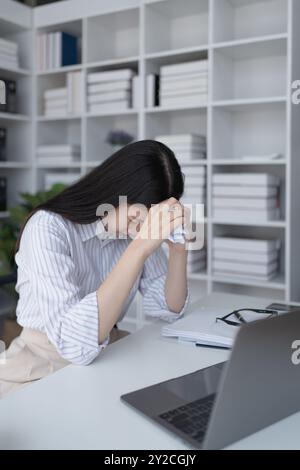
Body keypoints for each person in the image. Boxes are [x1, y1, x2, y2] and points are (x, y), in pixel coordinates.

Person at [0, 140, 191, 398]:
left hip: (109, 351)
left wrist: (179, 251)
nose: (137, 229)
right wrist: (139, 248)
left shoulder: (133, 232)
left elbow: (168, 309)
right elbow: (74, 345)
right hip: (41, 362)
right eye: (135, 216)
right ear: (113, 189)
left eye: (146, 222)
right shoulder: (48, 227)